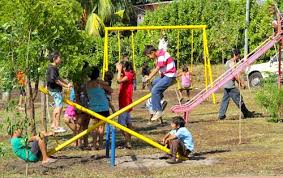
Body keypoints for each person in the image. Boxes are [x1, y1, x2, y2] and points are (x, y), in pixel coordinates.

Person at [219, 49, 255, 120]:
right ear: (235, 55)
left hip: (226, 84)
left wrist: (239, 82)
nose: (239, 56)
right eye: (238, 55)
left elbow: (235, 74)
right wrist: (241, 83)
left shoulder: (227, 62)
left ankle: (221, 115)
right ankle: (246, 113)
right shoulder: (232, 63)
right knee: (239, 98)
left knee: (225, 100)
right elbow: (235, 75)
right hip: (230, 85)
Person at [144, 45, 177, 121]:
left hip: (169, 76)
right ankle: (161, 100)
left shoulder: (162, 55)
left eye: (149, 56)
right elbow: (157, 68)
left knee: (155, 90)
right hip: (165, 76)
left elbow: (157, 68)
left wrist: (149, 77)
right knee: (152, 84)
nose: (149, 58)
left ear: (152, 52)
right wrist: (149, 78)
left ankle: (158, 111)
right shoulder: (160, 55)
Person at [87, 67, 112, 150]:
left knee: (94, 127)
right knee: (101, 127)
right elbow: (111, 90)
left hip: (93, 108)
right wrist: (104, 83)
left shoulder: (87, 84)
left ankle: (94, 145)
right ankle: (100, 144)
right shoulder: (100, 84)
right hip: (103, 107)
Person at [46, 51, 72, 133]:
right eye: (59, 58)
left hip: (54, 90)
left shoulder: (53, 68)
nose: (60, 59)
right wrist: (66, 86)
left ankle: (54, 124)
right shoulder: (52, 68)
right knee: (59, 107)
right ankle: (57, 126)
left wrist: (66, 83)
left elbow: (59, 78)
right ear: (54, 59)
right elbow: (56, 81)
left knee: (57, 106)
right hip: (55, 90)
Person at [116, 61, 134, 149]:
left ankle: (128, 140)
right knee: (128, 121)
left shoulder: (129, 74)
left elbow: (118, 80)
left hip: (125, 101)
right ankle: (128, 141)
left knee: (120, 123)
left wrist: (119, 70)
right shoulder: (127, 73)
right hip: (125, 101)